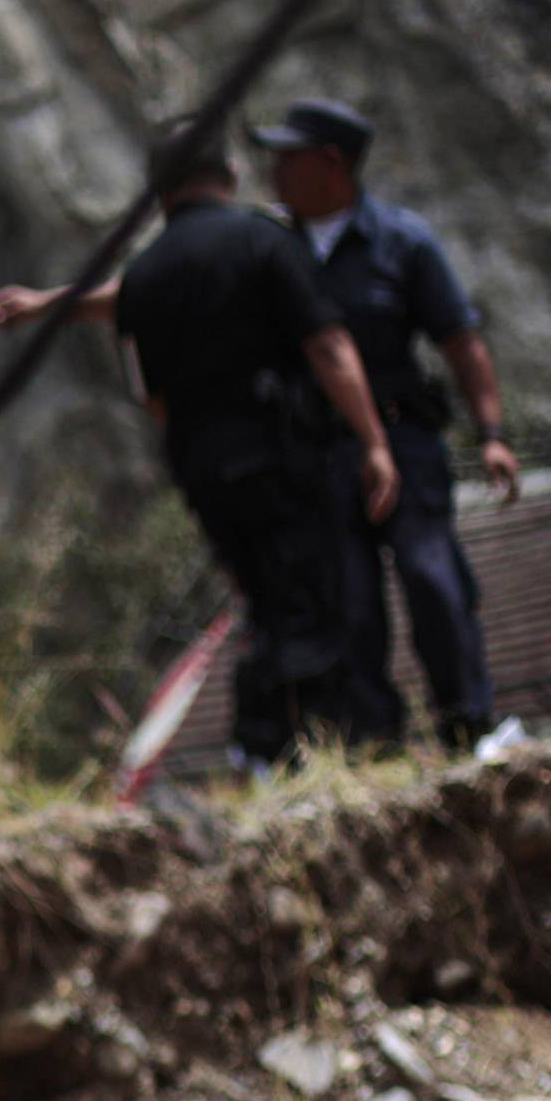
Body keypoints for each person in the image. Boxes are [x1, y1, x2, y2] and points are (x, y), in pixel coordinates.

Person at [107, 118, 403, 765]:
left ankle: (262, 747)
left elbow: (151, 397)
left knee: (260, 604)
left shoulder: (142, 276)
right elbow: (326, 344)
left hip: (202, 467)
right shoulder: (261, 241)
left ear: (159, 192)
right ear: (229, 175)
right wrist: (374, 442)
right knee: (312, 599)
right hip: (281, 455)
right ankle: (324, 751)